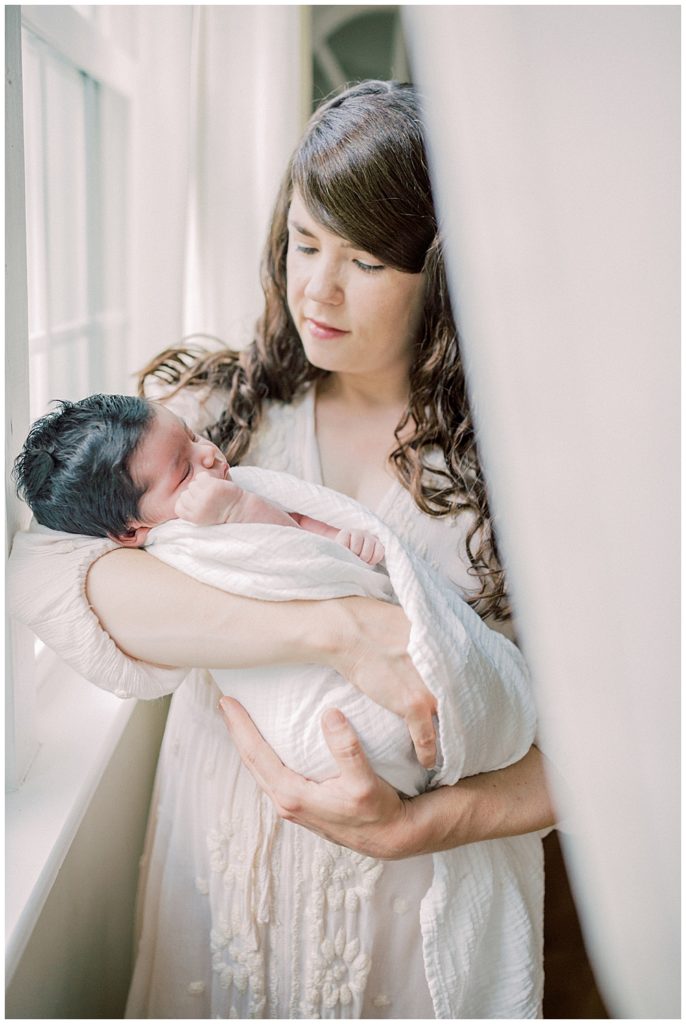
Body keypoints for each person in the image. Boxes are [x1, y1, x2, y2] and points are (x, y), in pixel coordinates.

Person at [8, 81, 555, 1018]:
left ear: (443, 272)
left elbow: (621, 740)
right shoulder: (215, 414)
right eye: (304, 244)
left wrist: (417, 827)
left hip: (413, 895)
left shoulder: (520, 465)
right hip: (224, 864)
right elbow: (47, 570)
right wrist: (340, 628)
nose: (317, 289)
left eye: (365, 260)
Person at [12, 393, 385, 564]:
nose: (208, 453)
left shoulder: (233, 487)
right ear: (130, 532)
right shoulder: (177, 545)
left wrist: (339, 541)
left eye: (192, 436)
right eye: (185, 471)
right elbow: (279, 559)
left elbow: (298, 528)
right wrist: (240, 509)